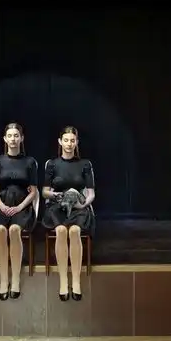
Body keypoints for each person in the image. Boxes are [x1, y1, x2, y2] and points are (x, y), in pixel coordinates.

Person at [42, 126, 95, 301]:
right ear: (60, 142)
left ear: (77, 142)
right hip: (58, 206)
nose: (69, 144)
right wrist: (58, 195)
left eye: (72, 140)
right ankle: (64, 281)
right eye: (66, 140)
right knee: (61, 231)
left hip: (78, 207)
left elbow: (91, 193)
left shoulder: (85, 164)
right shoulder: (52, 164)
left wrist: (82, 204)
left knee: (74, 231)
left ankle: (76, 281)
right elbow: (45, 192)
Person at [0, 123, 39, 301]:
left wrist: (20, 207)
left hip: (22, 205)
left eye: (16, 135)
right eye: (9, 136)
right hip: (2, 203)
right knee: (1, 230)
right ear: (5, 139)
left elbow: (33, 191)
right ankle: (4, 280)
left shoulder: (30, 162)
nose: (13, 139)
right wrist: (1, 205)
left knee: (14, 230)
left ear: (22, 138)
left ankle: (15, 279)